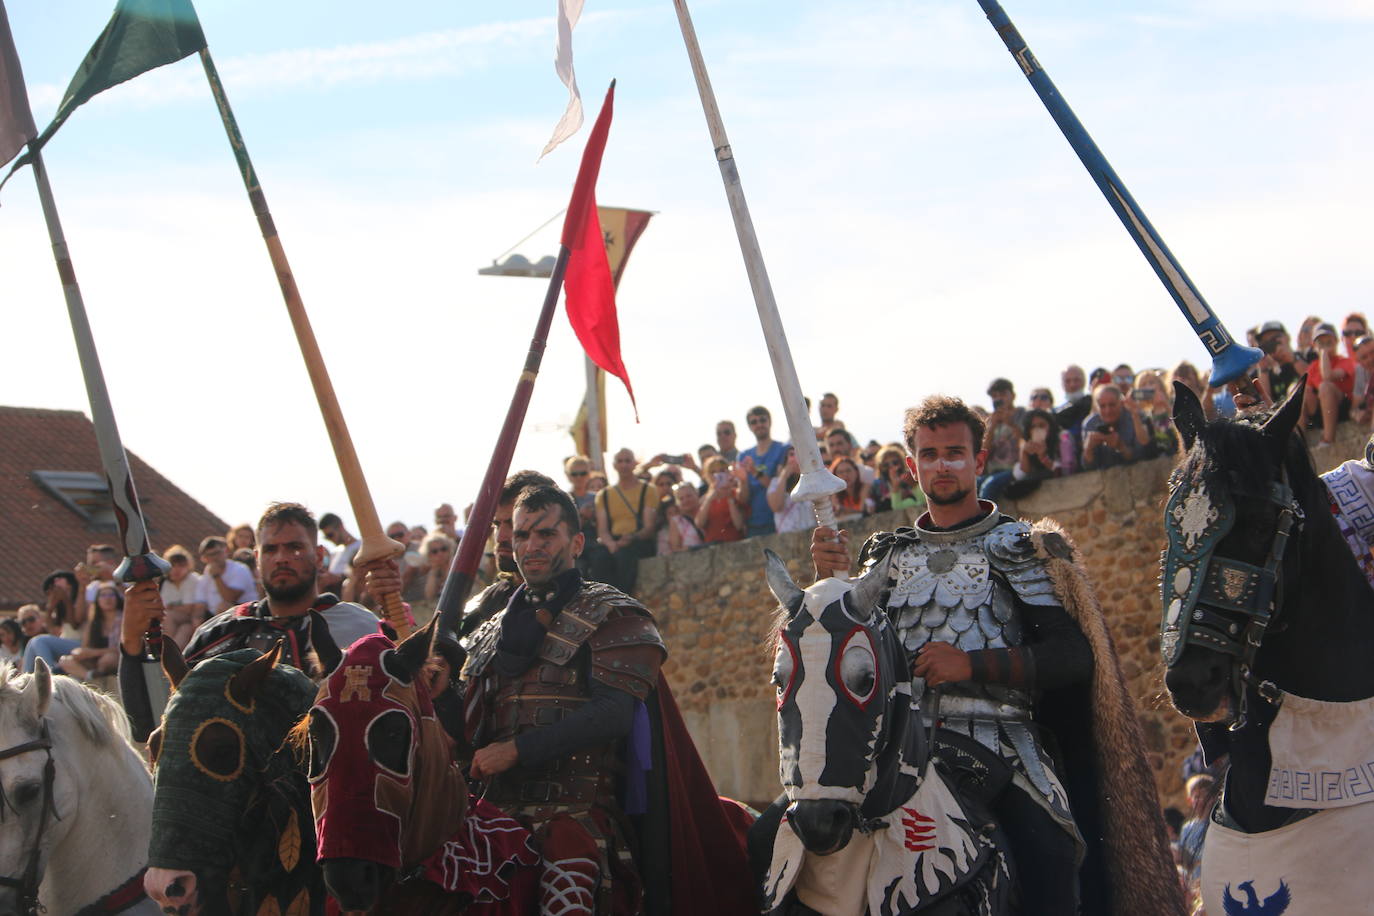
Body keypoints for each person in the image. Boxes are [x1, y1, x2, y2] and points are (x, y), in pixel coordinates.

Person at [810, 395, 1178, 914]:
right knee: (796, 846)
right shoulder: (884, 558)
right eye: (931, 454)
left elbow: (1073, 656)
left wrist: (970, 666)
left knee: (1048, 855)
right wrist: (831, 583)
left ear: (979, 461)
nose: (943, 464)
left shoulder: (1018, 547)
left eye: (955, 452)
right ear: (912, 466)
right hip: (899, 751)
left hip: (1004, 747)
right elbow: (847, 659)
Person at [461, 485, 752, 914]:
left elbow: (612, 714)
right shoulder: (489, 628)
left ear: (576, 543)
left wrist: (516, 750)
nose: (531, 546)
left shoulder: (612, 613)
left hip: (576, 816)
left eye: (546, 534)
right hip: (496, 815)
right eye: (522, 536)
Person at [119, 502, 391, 742]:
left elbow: (409, 708)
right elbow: (154, 723)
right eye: (271, 549)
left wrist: (391, 612)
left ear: (319, 556)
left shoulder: (360, 627)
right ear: (258, 558)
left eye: (295, 548)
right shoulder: (220, 633)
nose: (282, 557)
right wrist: (131, 640)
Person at [595, 448, 656, 594]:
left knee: (624, 557)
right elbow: (602, 530)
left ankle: (622, 599)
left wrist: (632, 538)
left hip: (638, 540)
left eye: (628, 461)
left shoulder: (648, 490)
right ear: (615, 465)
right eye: (620, 461)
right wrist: (611, 544)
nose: (624, 465)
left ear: (635, 464)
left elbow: (649, 527)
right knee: (598, 558)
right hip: (614, 540)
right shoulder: (604, 495)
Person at [53, 582, 123, 682]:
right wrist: (80, 652)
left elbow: (121, 648)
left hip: (115, 658)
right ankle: (90, 677)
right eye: (103, 595)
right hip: (93, 661)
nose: (107, 598)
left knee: (108, 659)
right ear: (97, 600)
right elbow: (85, 647)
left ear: (117, 598)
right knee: (65, 661)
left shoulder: (123, 620)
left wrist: (93, 653)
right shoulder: (92, 623)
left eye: (111, 595)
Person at [1303, 321, 1357, 450]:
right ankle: (1298, 440)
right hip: (1321, 412)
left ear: (1336, 341)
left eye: (1328, 342)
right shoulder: (1313, 367)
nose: (1325, 345)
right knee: (1301, 391)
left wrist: (1324, 353)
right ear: (1314, 345)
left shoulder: (1345, 361)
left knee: (1325, 386)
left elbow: (1327, 376)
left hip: (1342, 408)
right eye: (1321, 343)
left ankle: (1328, 439)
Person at [738, 406, 788, 538]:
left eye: (762, 420)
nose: (759, 424)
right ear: (749, 427)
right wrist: (742, 480)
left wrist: (754, 472)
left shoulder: (783, 449)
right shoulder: (743, 456)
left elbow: (780, 487)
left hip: (779, 519)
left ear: (769, 422)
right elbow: (743, 497)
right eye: (754, 422)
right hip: (753, 524)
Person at [1082, 384, 1145, 470]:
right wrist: (1088, 449)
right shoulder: (1090, 424)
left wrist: (1121, 447)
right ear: (1097, 407)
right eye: (1102, 406)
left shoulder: (1134, 418)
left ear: (1121, 403)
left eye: (1112, 405)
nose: (1107, 411)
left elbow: (1144, 456)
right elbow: (1088, 467)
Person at [194, 535, 259, 615]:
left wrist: (216, 576)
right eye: (210, 555)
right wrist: (197, 618)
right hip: (214, 617)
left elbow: (230, 599)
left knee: (224, 607)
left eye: (217, 553)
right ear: (204, 559)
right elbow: (200, 603)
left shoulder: (240, 569)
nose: (215, 558)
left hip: (244, 613)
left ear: (226, 551)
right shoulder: (206, 574)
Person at [158, 544, 207, 649]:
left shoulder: (192, 579)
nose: (177, 570)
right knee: (184, 630)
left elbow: (189, 608)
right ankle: (170, 652)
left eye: (181, 566)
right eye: (173, 566)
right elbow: (164, 607)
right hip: (183, 623)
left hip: (194, 619)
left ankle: (169, 651)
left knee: (168, 617)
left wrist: (173, 607)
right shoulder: (167, 583)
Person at [697, 456, 747, 543]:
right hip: (712, 547)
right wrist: (709, 499)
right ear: (707, 475)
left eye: (722, 470)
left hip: (736, 544)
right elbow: (699, 523)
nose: (717, 475)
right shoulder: (704, 499)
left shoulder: (736, 494)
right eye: (713, 472)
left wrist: (730, 499)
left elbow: (739, 525)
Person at [318, 512, 362, 599]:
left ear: (340, 526)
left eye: (330, 535)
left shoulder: (362, 547)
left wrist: (338, 578)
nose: (330, 540)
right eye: (326, 537)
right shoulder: (334, 554)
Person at [873, 443, 924, 512]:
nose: (892, 467)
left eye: (895, 462)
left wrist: (913, 485)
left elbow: (923, 502)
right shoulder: (878, 485)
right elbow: (896, 508)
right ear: (880, 467)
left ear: (902, 463)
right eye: (886, 465)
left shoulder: (911, 476)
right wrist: (895, 488)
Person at [659, 482, 705, 554]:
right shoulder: (677, 521)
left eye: (689, 496)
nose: (686, 500)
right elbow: (675, 549)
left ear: (697, 494)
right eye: (681, 499)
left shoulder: (708, 511)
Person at [829, 456, 872, 521]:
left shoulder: (865, 488)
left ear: (856, 472)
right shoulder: (834, 495)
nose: (845, 474)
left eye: (848, 470)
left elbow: (865, 513)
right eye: (840, 472)